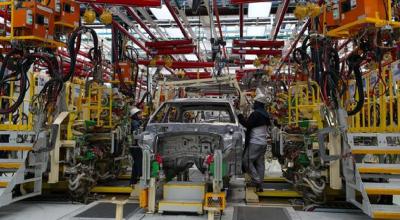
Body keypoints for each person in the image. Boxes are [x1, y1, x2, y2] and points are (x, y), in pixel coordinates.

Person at [238, 92, 271, 192]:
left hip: (255, 143)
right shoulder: (265, 114)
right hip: (263, 144)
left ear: (258, 103)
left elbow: (247, 124)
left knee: (246, 161)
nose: (254, 104)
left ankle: (256, 180)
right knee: (259, 163)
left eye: (255, 102)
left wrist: (239, 115)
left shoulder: (256, 114)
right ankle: (260, 185)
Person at [129, 107, 143, 185]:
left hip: (135, 146)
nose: (141, 115)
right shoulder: (135, 123)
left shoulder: (137, 122)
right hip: (136, 147)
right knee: (139, 163)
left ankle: (133, 181)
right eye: (139, 114)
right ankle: (138, 179)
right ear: (135, 115)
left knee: (136, 163)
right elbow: (137, 134)